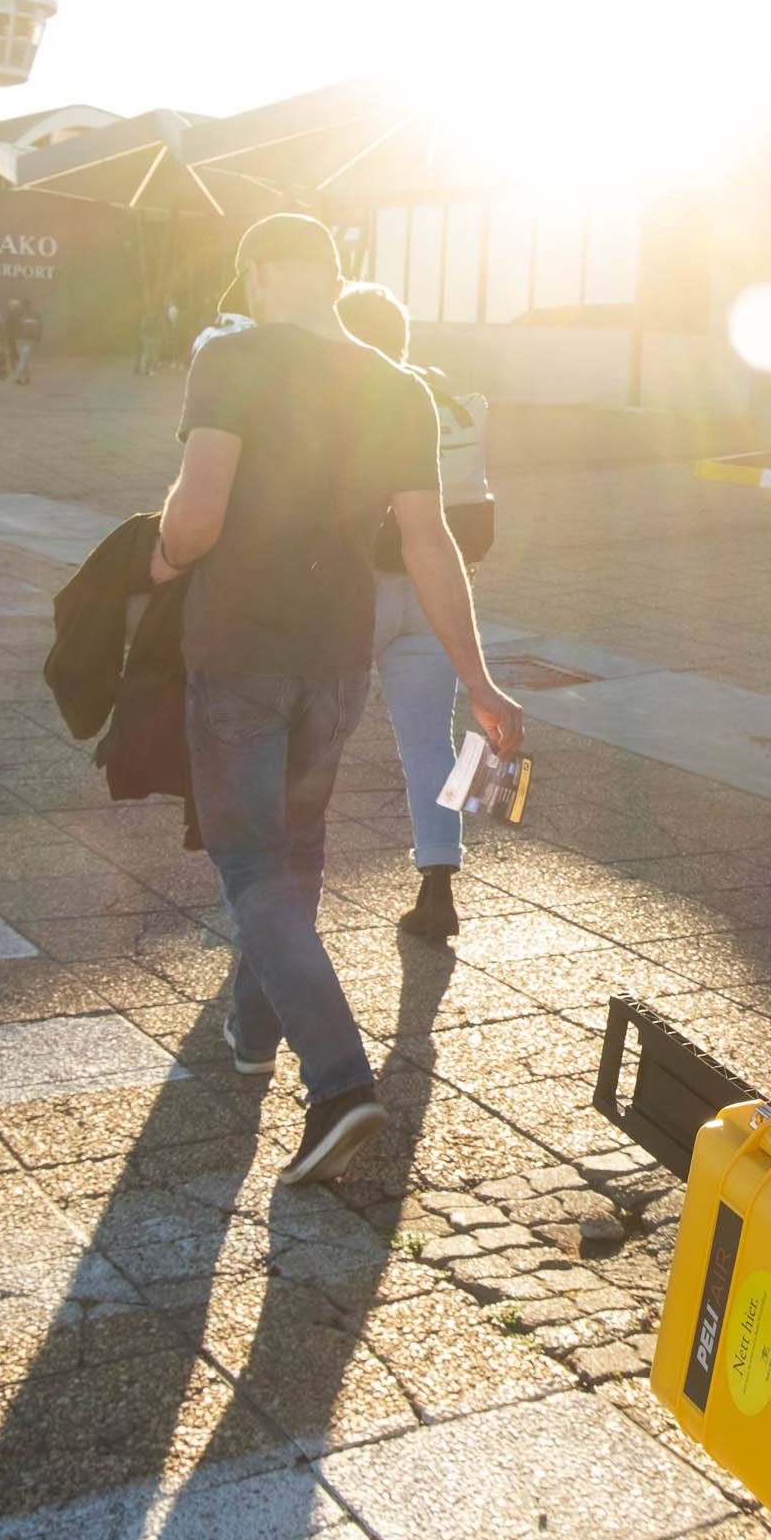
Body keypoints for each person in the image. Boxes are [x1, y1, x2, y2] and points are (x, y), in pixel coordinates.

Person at [151, 212, 524, 1187]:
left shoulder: (232, 357)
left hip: (240, 645)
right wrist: (477, 679)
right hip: (336, 653)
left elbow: (197, 514)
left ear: (265, 276)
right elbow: (428, 544)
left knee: (248, 861)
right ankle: (248, 1031)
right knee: (297, 848)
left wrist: (158, 555)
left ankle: (338, 1084)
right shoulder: (398, 385)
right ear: (331, 274)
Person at [335, 281, 495, 942]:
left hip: (354, 590)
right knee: (433, 743)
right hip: (432, 590)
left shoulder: (344, 404)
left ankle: (278, 882)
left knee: (313, 735)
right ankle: (439, 884)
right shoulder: (443, 399)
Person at [11, 299, 40, 385]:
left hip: (19, 339)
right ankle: (22, 377)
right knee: (24, 358)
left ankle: (22, 377)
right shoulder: (36, 314)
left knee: (23, 358)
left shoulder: (18, 314)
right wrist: (38, 338)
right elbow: (40, 326)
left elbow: (13, 326)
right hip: (30, 339)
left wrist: (13, 337)